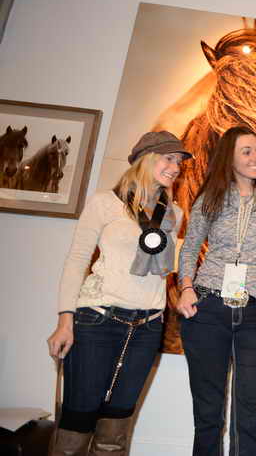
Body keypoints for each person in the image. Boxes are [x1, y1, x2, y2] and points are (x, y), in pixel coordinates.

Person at [46, 131, 191, 456]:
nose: (175, 168)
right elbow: (77, 260)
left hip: (147, 327)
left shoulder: (175, 214)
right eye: (169, 159)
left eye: (179, 162)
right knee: (78, 419)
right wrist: (65, 321)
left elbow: (165, 273)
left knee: (117, 426)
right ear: (145, 159)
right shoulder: (105, 203)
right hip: (98, 321)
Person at [177, 125, 256, 456]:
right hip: (208, 309)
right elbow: (190, 248)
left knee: (249, 417)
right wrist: (186, 288)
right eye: (247, 151)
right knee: (207, 415)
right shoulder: (210, 199)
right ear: (228, 158)